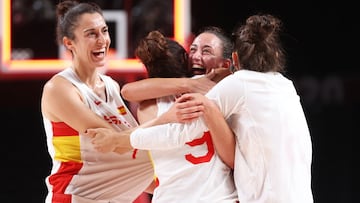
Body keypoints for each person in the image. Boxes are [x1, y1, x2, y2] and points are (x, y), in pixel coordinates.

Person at [172, 14, 314, 203]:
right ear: (277, 56)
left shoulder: (238, 83)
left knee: (204, 106)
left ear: (234, 59)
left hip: (265, 200)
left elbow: (182, 125)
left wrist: (135, 136)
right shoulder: (286, 86)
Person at [86, 30, 238, 202]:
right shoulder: (214, 90)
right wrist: (190, 84)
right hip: (219, 196)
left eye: (206, 51)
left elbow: (128, 91)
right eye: (192, 50)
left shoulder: (147, 106)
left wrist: (119, 140)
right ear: (184, 60)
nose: (195, 57)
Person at [40, 1, 153, 203]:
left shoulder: (111, 86)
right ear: (69, 43)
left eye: (104, 31)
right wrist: (171, 121)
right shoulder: (59, 89)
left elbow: (132, 158)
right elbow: (119, 145)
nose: (102, 40)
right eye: (91, 34)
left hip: (112, 197)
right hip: (75, 196)